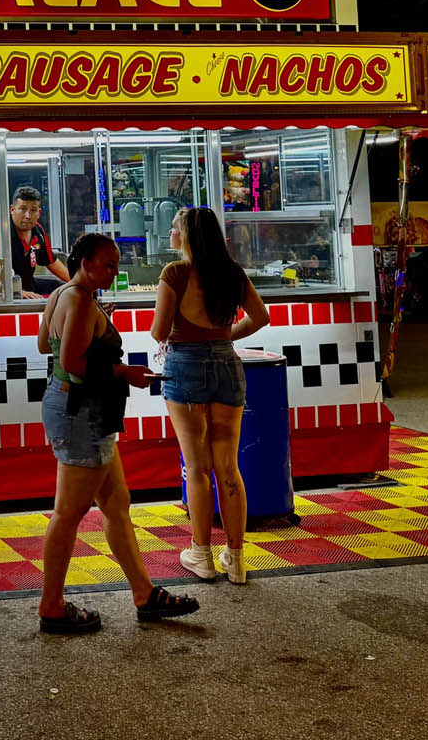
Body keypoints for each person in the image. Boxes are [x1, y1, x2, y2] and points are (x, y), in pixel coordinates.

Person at [35, 233, 200, 631]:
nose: (114, 271)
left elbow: (46, 345)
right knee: (67, 513)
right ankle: (51, 607)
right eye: (108, 264)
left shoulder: (63, 295)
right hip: (82, 414)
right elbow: (74, 363)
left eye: (116, 264)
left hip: (77, 409)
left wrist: (94, 323)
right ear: (85, 262)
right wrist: (123, 372)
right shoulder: (76, 299)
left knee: (117, 504)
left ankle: (144, 594)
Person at [153, 206, 271, 585]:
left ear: (187, 236)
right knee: (228, 467)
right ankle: (236, 559)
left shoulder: (175, 273)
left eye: (175, 227)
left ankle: (200, 554)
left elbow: (159, 331)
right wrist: (223, 337)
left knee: (198, 469)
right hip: (227, 368)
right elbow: (260, 317)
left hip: (185, 369)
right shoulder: (231, 272)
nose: (171, 232)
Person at [0, 185, 70, 298]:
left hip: (30, 286)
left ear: (39, 213)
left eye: (33, 210)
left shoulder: (38, 231)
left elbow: (51, 262)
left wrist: (76, 282)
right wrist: (17, 292)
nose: (28, 216)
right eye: (23, 209)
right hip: (2, 290)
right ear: (12, 210)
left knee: (66, 288)